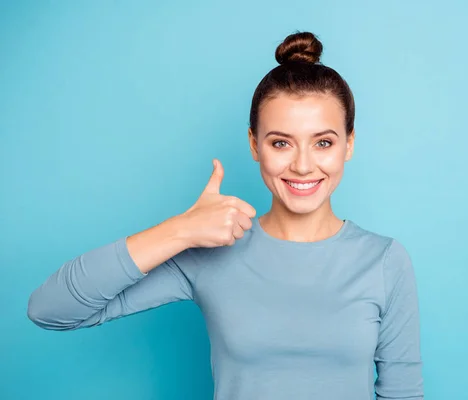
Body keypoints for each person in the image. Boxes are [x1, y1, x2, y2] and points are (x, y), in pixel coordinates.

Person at [27, 31, 424, 400]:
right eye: (281, 142)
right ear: (254, 145)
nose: (303, 166)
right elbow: (51, 310)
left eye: (323, 142)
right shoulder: (211, 251)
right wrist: (180, 230)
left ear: (348, 145)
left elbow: (403, 393)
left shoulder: (385, 261)